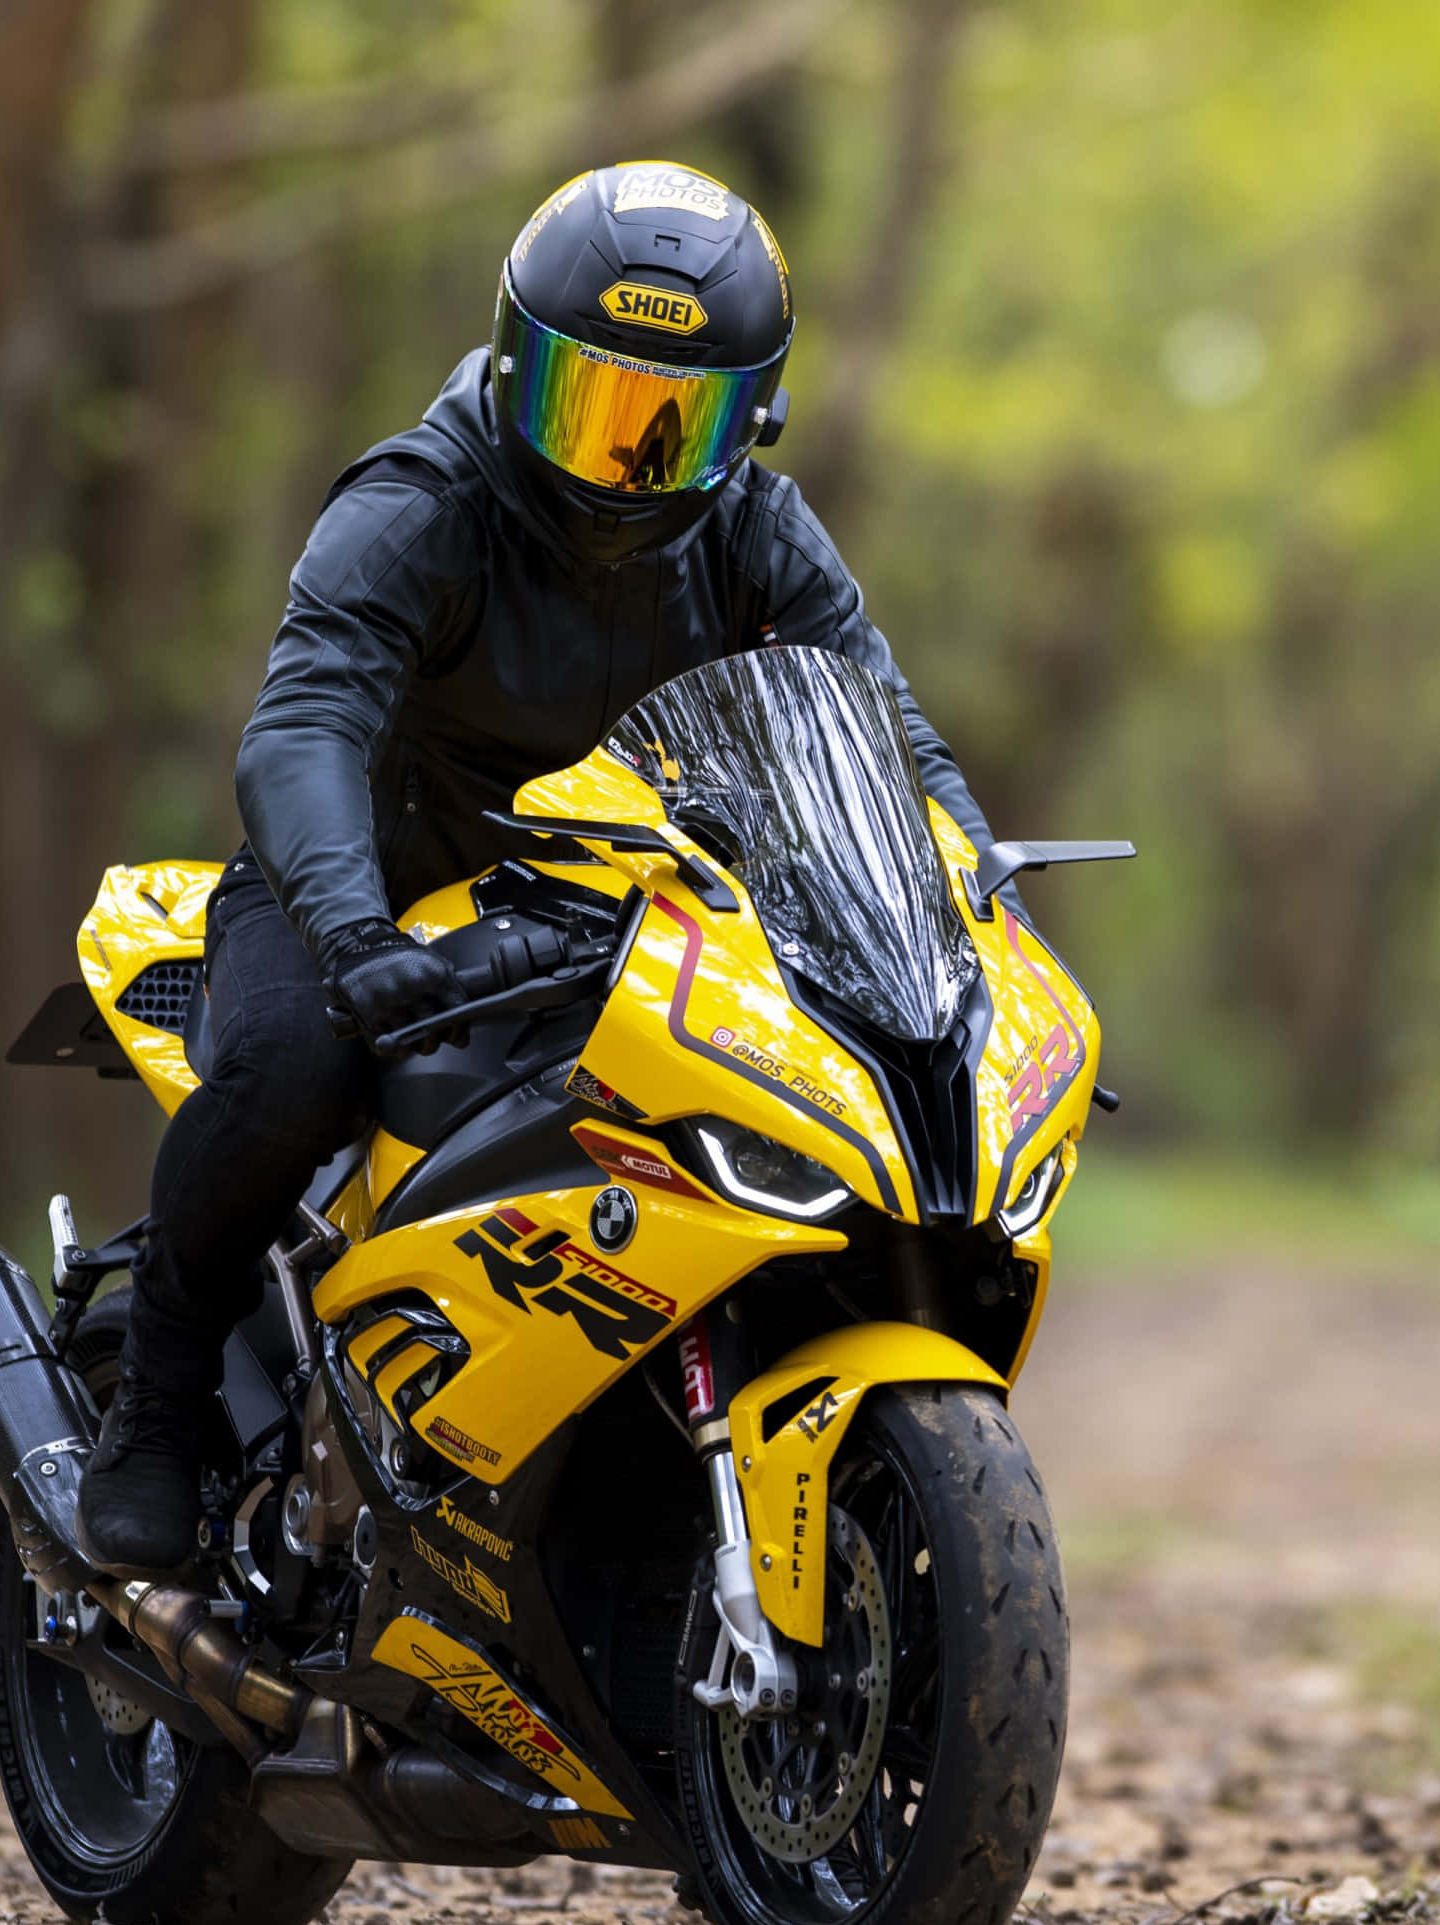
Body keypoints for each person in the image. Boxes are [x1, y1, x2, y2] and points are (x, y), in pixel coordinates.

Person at [78, 160, 995, 1572]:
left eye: (673, 423)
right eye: (592, 400)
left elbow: (884, 727)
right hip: (372, 900)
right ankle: (157, 1398)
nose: (623, 458)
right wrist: (350, 933)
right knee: (297, 1071)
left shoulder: (756, 527)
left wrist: (962, 875)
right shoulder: (423, 501)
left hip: (620, 908)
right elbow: (307, 717)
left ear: (754, 417)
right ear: (516, 364)